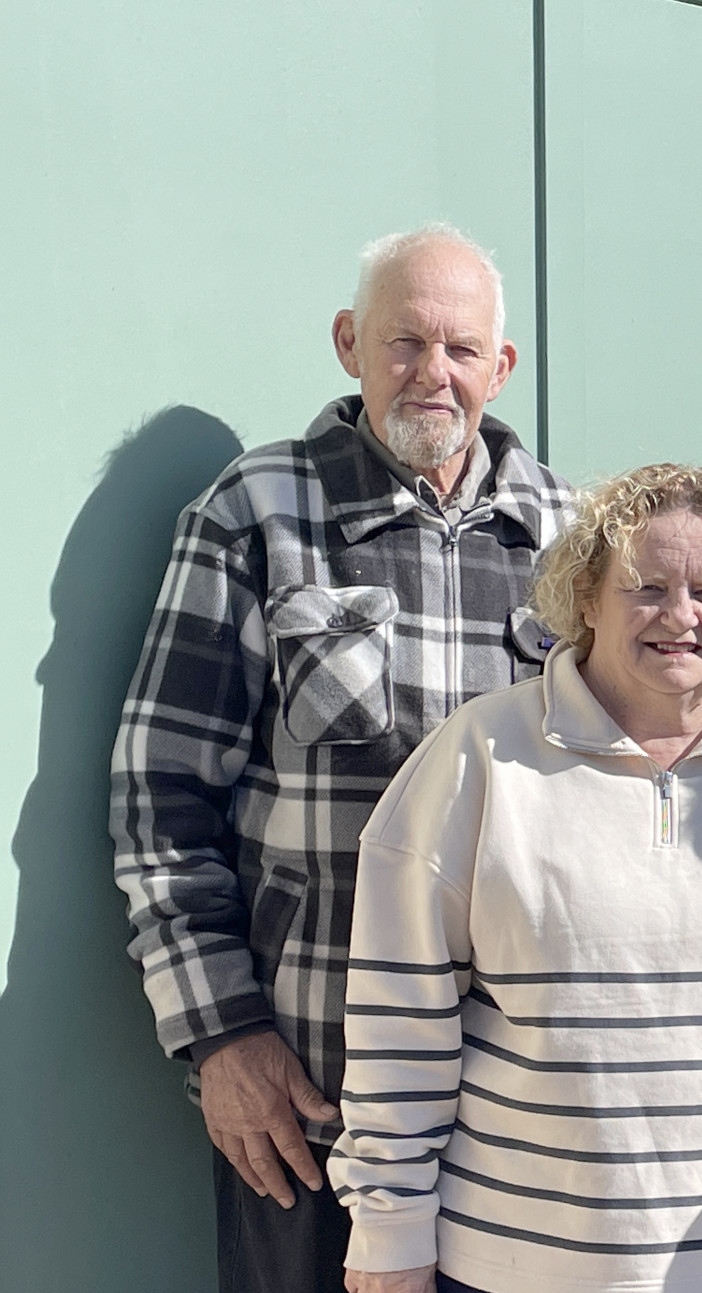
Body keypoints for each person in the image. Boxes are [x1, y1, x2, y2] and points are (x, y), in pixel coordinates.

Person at [110, 225, 576, 1293]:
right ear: (348, 344)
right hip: (315, 1104)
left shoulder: (567, 534)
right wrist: (221, 1036)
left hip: (523, 1119)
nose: (432, 373)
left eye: (461, 349)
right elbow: (158, 798)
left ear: (500, 368)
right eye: (403, 342)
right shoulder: (257, 511)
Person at [329, 463, 702, 1293]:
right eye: (646, 586)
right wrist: (390, 1229)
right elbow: (398, 1023)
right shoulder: (480, 755)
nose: (681, 616)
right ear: (585, 598)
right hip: (523, 1264)